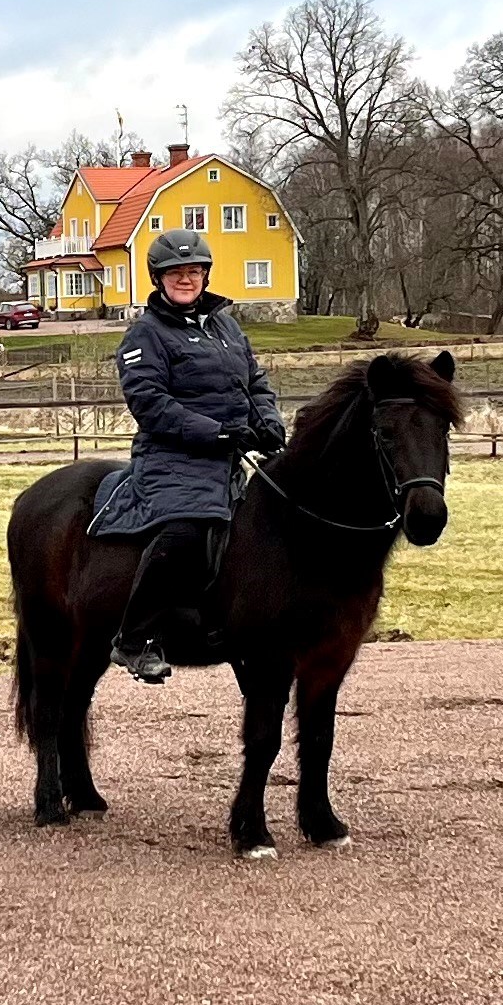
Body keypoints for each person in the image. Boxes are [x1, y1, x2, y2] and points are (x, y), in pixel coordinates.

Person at [88, 229, 287, 684]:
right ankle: (133, 640)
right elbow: (150, 403)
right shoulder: (146, 334)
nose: (186, 279)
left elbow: (254, 382)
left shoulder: (225, 326)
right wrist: (215, 434)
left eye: (193, 271)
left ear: (205, 275)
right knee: (189, 531)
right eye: (176, 272)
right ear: (159, 279)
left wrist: (269, 422)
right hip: (172, 458)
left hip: (232, 451)